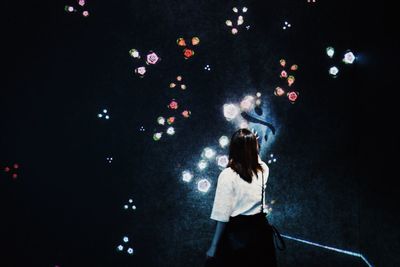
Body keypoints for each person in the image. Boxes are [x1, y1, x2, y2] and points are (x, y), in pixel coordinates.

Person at [205, 129, 277, 267]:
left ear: (234, 148)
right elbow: (256, 161)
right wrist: (252, 143)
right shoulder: (263, 170)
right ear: (255, 147)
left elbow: (222, 215)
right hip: (260, 233)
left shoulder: (227, 175)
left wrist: (213, 247)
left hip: (237, 235)